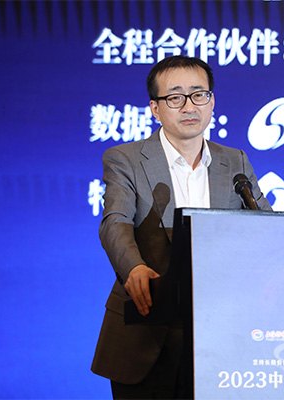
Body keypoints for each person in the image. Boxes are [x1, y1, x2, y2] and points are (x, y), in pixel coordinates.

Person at [91, 55, 271, 399]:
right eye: (175, 97)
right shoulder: (125, 159)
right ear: (155, 109)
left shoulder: (235, 160)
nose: (189, 106)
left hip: (221, 332)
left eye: (199, 94)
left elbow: (265, 224)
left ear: (212, 102)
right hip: (148, 326)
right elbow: (115, 222)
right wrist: (133, 268)